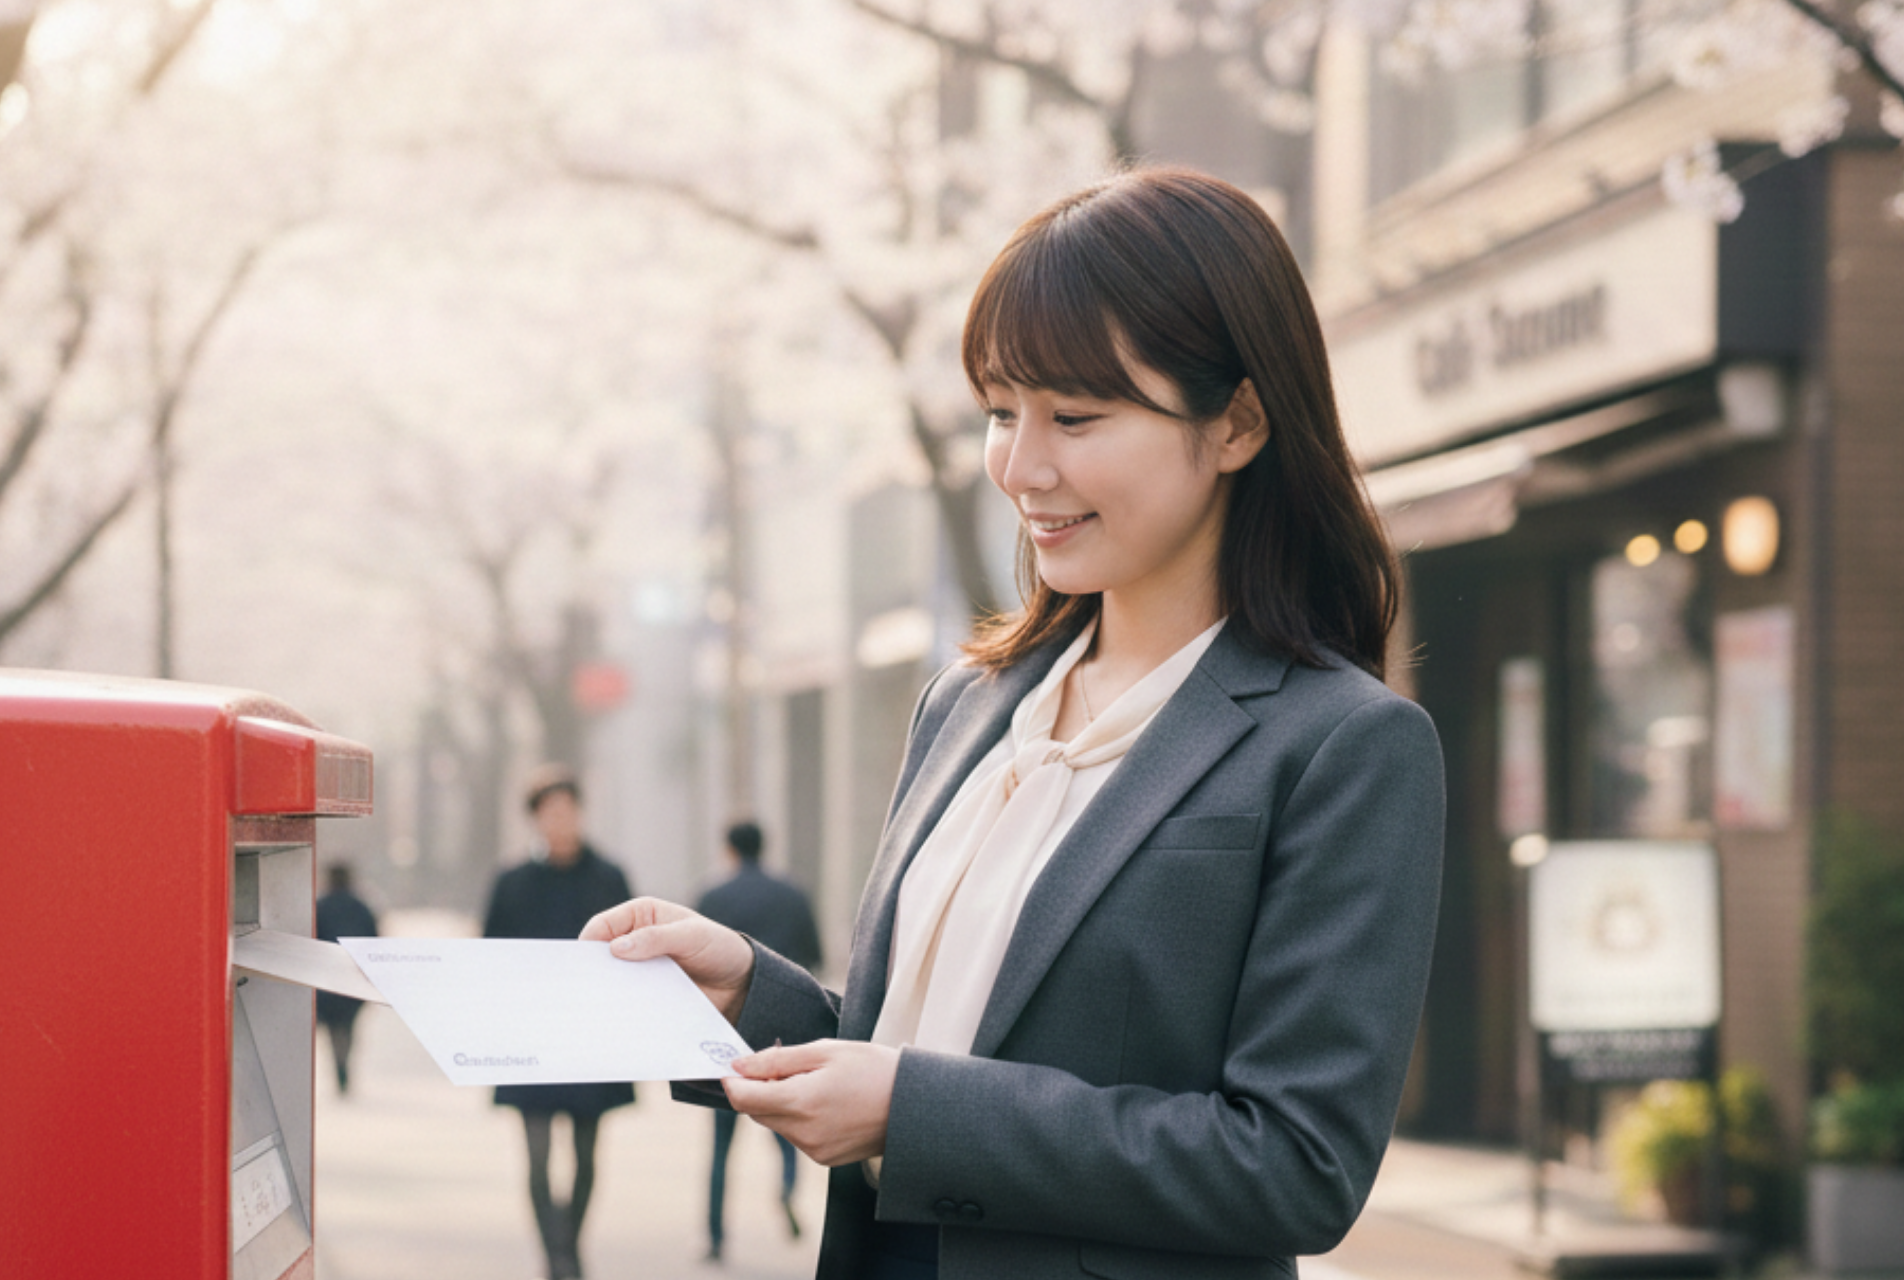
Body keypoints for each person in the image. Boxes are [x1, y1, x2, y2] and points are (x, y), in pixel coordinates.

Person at [583, 166, 1446, 1280]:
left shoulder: (1343, 744)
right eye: (1001, 411)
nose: (1021, 466)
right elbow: (949, 1035)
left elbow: (1294, 1161)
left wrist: (912, 1111)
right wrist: (755, 991)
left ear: (1236, 421)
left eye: (1075, 417)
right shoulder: (974, 702)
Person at [484, 766, 636, 1280]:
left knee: (588, 1156)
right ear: (535, 820)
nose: (561, 821)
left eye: (568, 811)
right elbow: (489, 958)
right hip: (532, 1035)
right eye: (550, 813)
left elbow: (636, 949)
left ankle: (569, 1245)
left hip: (595, 1035)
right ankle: (558, 1260)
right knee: (536, 1158)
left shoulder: (610, 877)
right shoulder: (511, 883)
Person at [695, 820, 824, 1261]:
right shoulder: (793, 894)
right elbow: (815, 957)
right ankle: (787, 1188)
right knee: (785, 1128)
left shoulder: (713, 896)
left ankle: (715, 1237)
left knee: (721, 1145)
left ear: (728, 849)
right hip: (780, 1036)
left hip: (722, 1039)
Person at [314, 861, 379, 1096]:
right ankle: (344, 1061)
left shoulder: (320, 906)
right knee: (348, 1026)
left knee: (332, 1027)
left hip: (328, 977)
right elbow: (374, 939)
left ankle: (338, 1063)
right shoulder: (361, 907)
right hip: (355, 977)